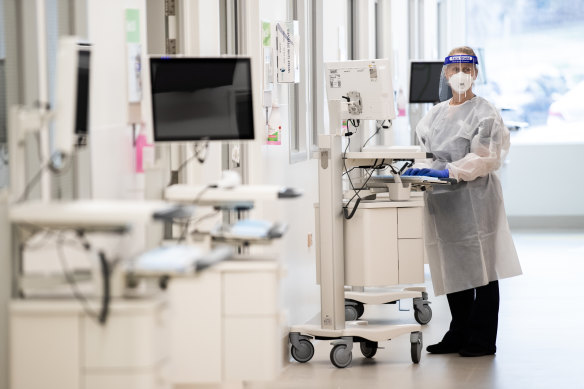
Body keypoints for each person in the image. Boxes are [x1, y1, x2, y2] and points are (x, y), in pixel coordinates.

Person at [403, 46, 522, 357]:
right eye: (454, 69)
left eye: (466, 69)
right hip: (443, 201)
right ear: (445, 73)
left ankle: (482, 340)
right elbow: (427, 153)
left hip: (476, 199)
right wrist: (424, 171)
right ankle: (459, 333)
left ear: (475, 74)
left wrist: (451, 170)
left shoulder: (486, 113)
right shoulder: (434, 114)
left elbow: (486, 157)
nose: (460, 75)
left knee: (482, 268)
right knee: (452, 266)